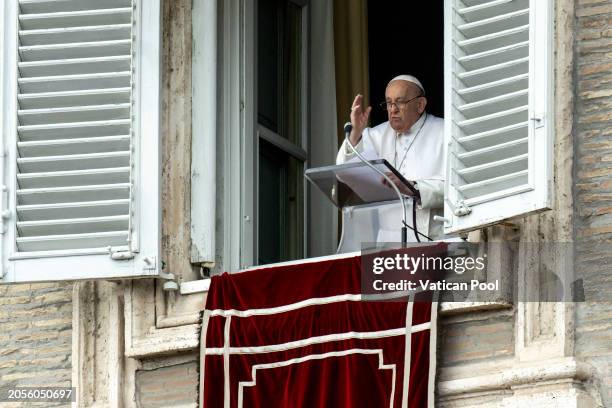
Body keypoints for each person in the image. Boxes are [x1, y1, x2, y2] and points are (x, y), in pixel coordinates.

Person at [336, 75, 445, 242]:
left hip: (435, 238)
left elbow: (459, 188)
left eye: (400, 102)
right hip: (388, 241)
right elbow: (343, 172)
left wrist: (415, 189)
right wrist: (355, 133)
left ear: (420, 104)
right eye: (388, 102)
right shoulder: (375, 135)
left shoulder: (445, 131)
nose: (392, 109)